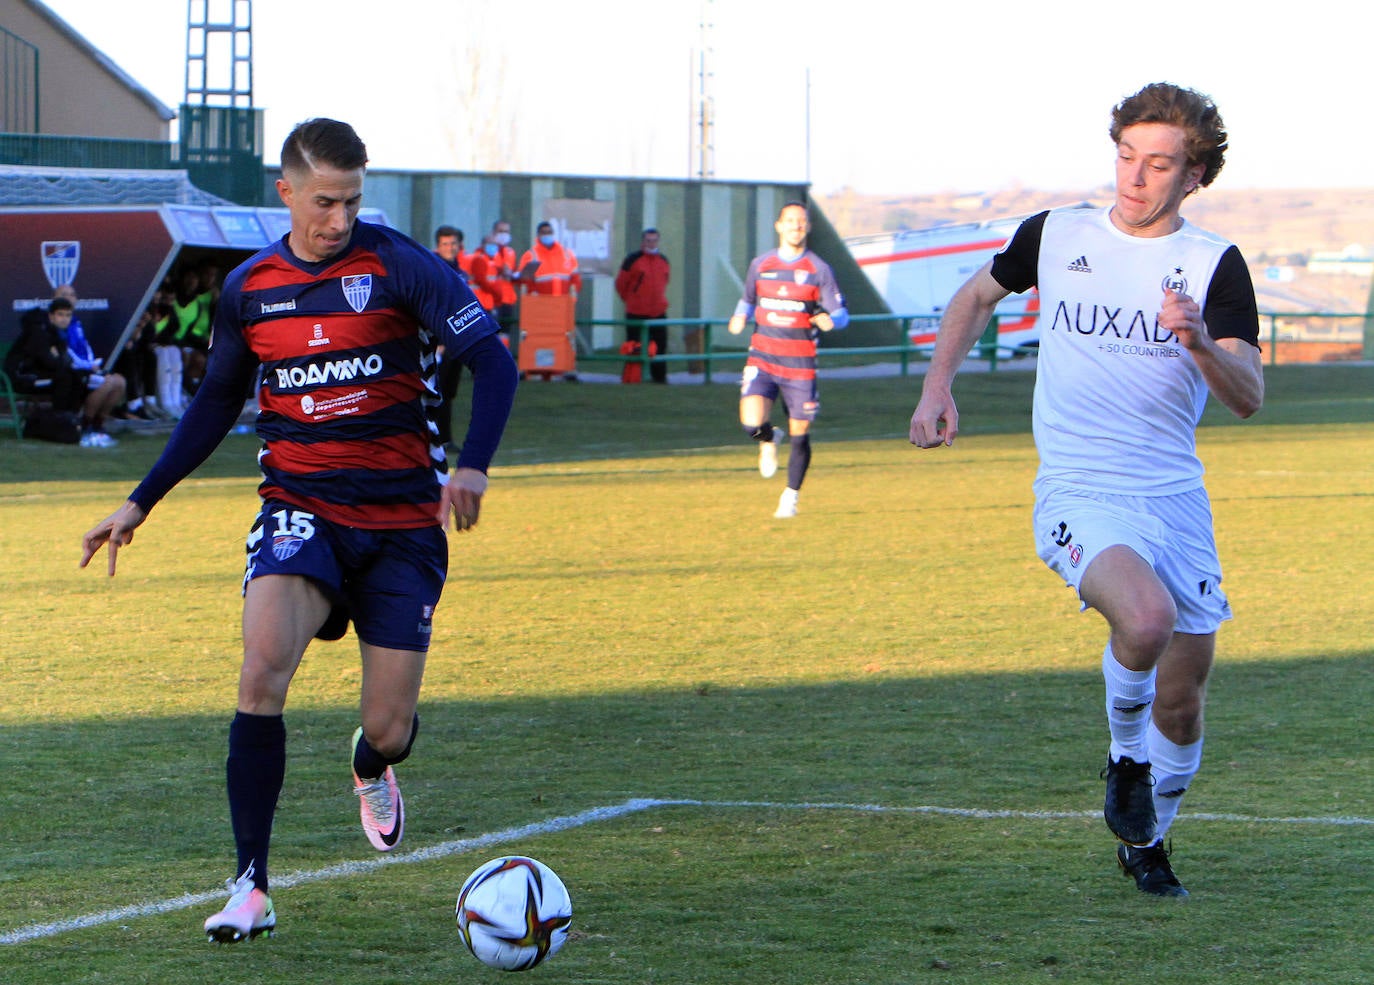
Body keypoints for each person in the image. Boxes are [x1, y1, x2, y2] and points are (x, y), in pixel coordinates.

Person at [79, 118, 519, 943]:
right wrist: (141, 500)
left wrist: (473, 463)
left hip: (401, 525)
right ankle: (250, 885)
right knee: (260, 675)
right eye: (325, 201)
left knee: (391, 725)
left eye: (353, 201)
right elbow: (214, 402)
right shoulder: (249, 288)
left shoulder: (399, 265)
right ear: (286, 193)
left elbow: (494, 359)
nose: (340, 219)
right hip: (301, 510)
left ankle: (371, 763)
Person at [908, 83, 1264, 898]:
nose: (1135, 178)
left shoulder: (1215, 264)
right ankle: (1123, 755)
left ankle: (1148, 840)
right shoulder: (1056, 233)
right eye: (1127, 157)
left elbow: (1248, 395)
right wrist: (937, 388)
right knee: (1143, 618)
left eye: (1159, 164)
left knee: (1184, 699)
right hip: (1079, 486)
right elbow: (973, 297)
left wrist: (1201, 343)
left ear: (1194, 174)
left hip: (1175, 498)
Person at [727, 201, 849, 518]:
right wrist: (739, 317)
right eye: (790, 220)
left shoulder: (818, 270)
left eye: (801, 221)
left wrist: (831, 321)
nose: (796, 225)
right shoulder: (761, 264)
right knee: (750, 423)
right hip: (763, 358)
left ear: (807, 227)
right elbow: (747, 300)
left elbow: (841, 314)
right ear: (778, 225)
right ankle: (769, 438)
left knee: (801, 435)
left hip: (800, 365)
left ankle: (790, 498)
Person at [51, 285, 128, 446]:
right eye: (64, 295)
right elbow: (65, 351)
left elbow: (84, 347)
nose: (69, 298)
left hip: (85, 368)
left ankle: (99, 423)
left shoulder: (76, 322)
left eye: (73, 295)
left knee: (120, 381)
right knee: (107, 382)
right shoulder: (54, 323)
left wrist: (93, 363)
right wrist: (88, 366)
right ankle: (86, 423)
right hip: (70, 372)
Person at [433, 224, 472, 451]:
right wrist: (437, 340)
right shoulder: (435, 268)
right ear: (438, 246)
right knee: (435, 392)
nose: (450, 247)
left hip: (455, 341)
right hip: (440, 342)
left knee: (448, 393)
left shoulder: (459, 271)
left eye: (453, 243)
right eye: (445, 244)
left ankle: (445, 439)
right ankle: (434, 439)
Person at [615, 228, 671, 383]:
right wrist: (633, 300)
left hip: (658, 311)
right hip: (636, 312)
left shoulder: (663, 261)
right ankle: (633, 378)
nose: (651, 243)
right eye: (648, 240)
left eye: (654, 240)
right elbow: (621, 284)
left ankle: (659, 379)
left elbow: (665, 281)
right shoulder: (633, 260)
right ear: (643, 241)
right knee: (634, 346)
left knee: (660, 347)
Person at [516, 221, 581, 297]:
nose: (547, 235)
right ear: (538, 235)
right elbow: (524, 280)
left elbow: (575, 278)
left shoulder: (567, 254)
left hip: (564, 301)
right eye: (544, 233)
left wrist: (573, 293)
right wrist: (532, 293)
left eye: (549, 232)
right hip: (540, 302)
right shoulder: (530, 255)